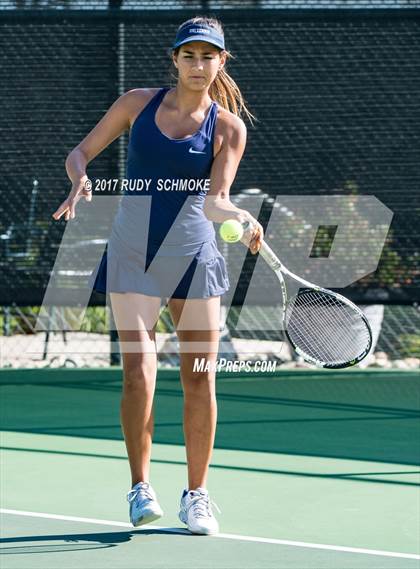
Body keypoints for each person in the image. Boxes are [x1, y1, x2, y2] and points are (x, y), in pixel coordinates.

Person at [52, 16, 263, 536]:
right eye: (188, 56)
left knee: (200, 376)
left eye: (207, 56)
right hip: (133, 252)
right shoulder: (135, 104)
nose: (197, 64)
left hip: (193, 257)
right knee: (138, 372)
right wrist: (81, 181)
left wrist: (239, 216)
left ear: (220, 62)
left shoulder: (228, 128)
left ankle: (197, 495)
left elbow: (215, 201)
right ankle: (140, 487)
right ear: (175, 60)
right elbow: (78, 153)